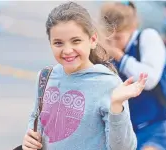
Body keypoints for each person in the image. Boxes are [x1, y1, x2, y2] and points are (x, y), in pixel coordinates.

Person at [22, 2, 147, 150]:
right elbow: (35, 122)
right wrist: (29, 140)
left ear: (92, 40)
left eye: (76, 41)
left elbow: (124, 148)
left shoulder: (108, 83)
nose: (67, 50)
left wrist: (116, 105)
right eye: (58, 43)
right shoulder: (45, 77)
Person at [100, 2, 166, 150]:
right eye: (109, 39)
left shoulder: (147, 37)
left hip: (154, 124)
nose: (113, 45)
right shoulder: (103, 48)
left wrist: (121, 58)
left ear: (132, 29)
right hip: (122, 128)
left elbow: (150, 79)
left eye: (118, 38)